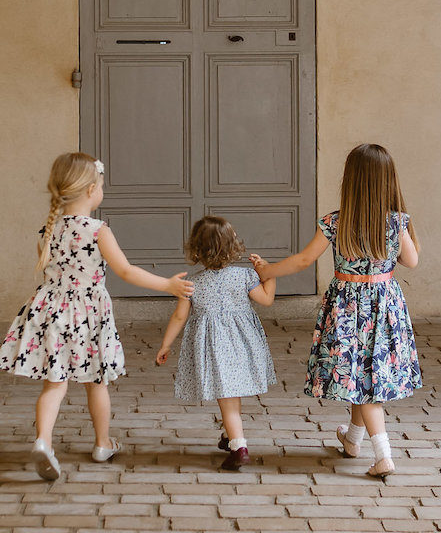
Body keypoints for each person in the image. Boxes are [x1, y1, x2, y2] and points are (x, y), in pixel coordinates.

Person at [0, 151, 193, 481]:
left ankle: (43, 441)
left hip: (52, 312)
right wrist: (168, 285)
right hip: (87, 314)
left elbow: (52, 269)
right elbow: (126, 271)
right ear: (91, 190)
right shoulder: (98, 230)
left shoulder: (48, 230)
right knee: (96, 382)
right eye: (101, 184)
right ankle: (102, 443)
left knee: (54, 384)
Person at [251, 143, 421, 481]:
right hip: (384, 306)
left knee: (363, 378)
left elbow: (303, 260)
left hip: (346, 308)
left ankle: (384, 455)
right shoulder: (396, 222)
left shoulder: (335, 222)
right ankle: (352, 439)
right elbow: (412, 261)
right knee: (365, 373)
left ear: (351, 181)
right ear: (389, 181)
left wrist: (268, 271)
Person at [155, 215, 277, 471]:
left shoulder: (193, 283)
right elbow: (266, 299)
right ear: (234, 247)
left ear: (197, 250)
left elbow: (179, 316)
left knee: (227, 396)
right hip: (243, 344)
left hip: (212, 348)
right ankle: (229, 434)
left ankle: (238, 446)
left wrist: (166, 344)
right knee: (230, 394)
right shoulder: (244, 277)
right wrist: (268, 273)